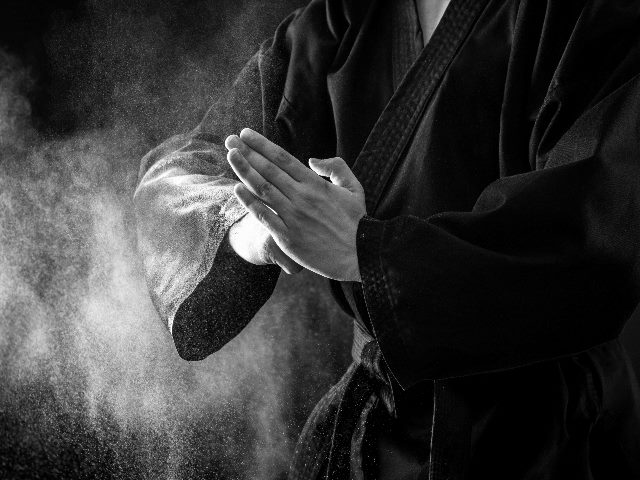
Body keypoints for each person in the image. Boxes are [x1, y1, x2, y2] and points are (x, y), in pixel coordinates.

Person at [133, 0, 640, 478]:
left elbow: (598, 226)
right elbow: (179, 172)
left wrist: (366, 250)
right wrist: (250, 223)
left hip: (546, 441)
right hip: (376, 441)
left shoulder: (588, 13)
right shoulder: (345, 19)